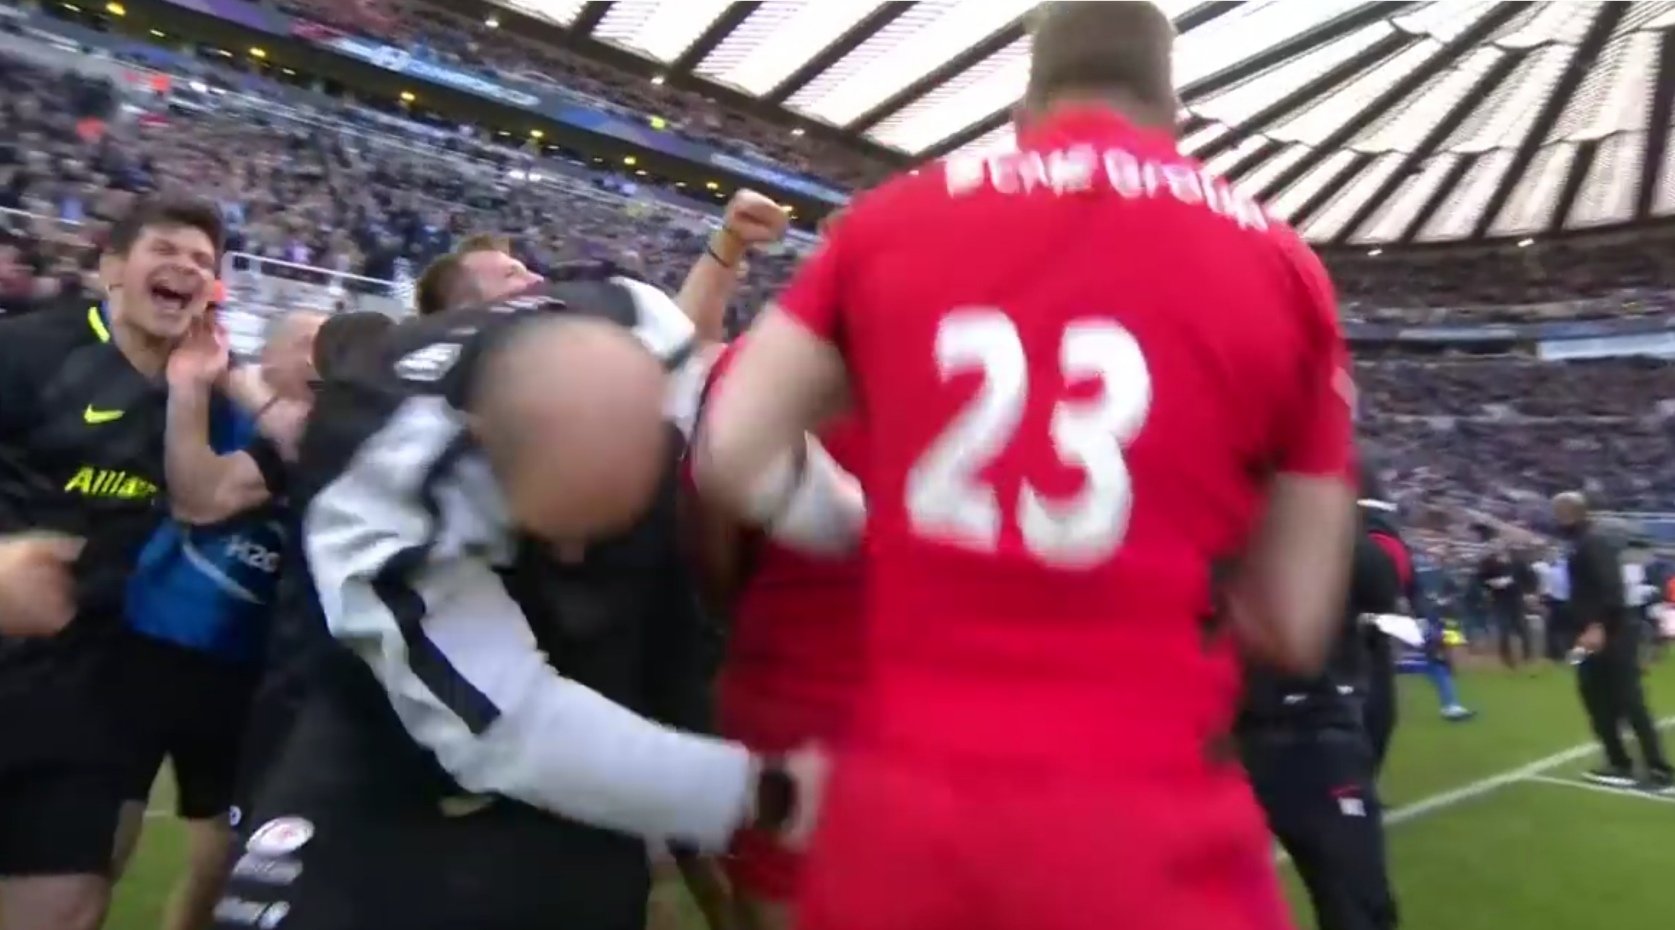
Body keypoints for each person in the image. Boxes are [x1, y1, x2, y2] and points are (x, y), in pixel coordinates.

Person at [695, 4, 1359, 929]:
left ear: (1021, 112)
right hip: (1147, 835)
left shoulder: (895, 218)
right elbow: (1292, 621)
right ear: (1173, 116)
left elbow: (730, 449)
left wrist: (854, 523)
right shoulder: (1278, 262)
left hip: (904, 827)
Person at [213, 269, 826, 930]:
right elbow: (508, 725)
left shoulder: (646, 330)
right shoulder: (381, 489)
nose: (572, 556)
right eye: (554, 527)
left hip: (584, 729)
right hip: (382, 740)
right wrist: (768, 792)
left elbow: (745, 450)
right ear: (485, 443)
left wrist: (866, 529)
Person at [0, 194, 222, 930]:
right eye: (167, 250)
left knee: (67, 908)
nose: (186, 268)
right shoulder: (28, 352)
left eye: (203, 263)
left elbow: (218, 489)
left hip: (84, 690)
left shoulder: (203, 391)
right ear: (111, 269)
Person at [107, 306, 311, 930]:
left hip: (245, 676)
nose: (318, 358)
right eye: (305, 343)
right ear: (268, 357)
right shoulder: (211, 409)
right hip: (148, 646)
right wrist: (206, 383)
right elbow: (199, 498)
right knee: (97, 842)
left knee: (219, 861)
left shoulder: (329, 438)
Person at [1238, 464, 1407, 930]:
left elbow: (1382, 583)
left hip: (1279, 734)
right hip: (1286, 736)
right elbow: (1382, 585)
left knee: (1353, 903)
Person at [1555, 492, 1673, 793]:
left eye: (1559, 513)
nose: (1556, 519)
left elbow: (1611, 588)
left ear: (1572, 513)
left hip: (1610, 633)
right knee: (1598, 698)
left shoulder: (1592, 542)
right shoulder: (1587, 542)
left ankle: (1658, 770)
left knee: (1627, 701)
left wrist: (1597, 626)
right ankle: (1621, 764)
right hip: (1600, 632)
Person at [1473, 524, 1534, 669]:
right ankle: (1508, 660)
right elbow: (1480, 580)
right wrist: (1492, 584)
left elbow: (1529, 578)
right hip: (1499, 598)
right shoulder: (1488, 563)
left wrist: (1528, 592)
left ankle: (1528, 658)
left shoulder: (1517, 562)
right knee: (1504, 629)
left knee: (1522, 628)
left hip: (1516, 597)